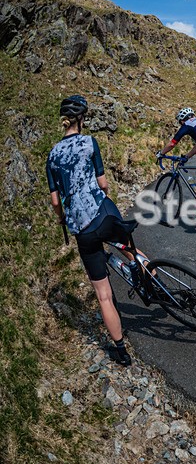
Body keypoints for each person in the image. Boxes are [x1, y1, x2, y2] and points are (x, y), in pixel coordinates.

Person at [46, 95, 132, 366]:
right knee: (130, 249)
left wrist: (62, 218)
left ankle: (121, 351)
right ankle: (150, 279)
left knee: (103, 295)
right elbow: (103, 184)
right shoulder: (89, 142)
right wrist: (101, 193)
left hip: (81, 229)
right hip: (102, 213)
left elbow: (56, 201)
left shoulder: (52, 156)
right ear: (81, 120)